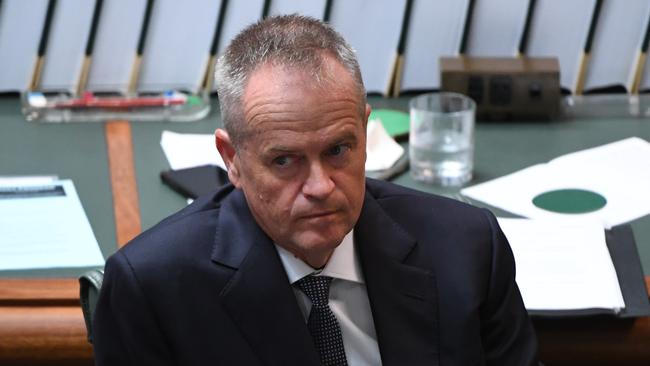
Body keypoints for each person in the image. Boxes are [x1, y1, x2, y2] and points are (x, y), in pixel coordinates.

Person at [93, 14, 538, 366]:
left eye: (339, 150)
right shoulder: (153, 288)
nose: (321, 186)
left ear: (365, 131)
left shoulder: (467, 248)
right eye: (284, 160)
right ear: (233, 160)